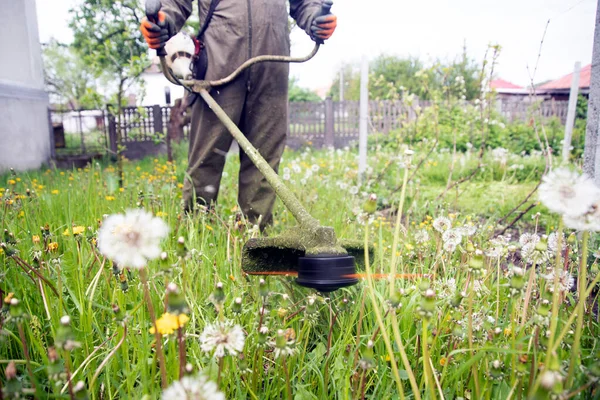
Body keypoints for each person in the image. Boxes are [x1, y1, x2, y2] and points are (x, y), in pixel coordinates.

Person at [140, 0, 337, 230]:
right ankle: (196, 234)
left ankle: (257, 238)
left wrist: (315, 17)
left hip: (272, 63)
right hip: (218, 61)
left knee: (264, 158)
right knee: (207, 156)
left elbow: (305, 3)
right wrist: (163, 20)